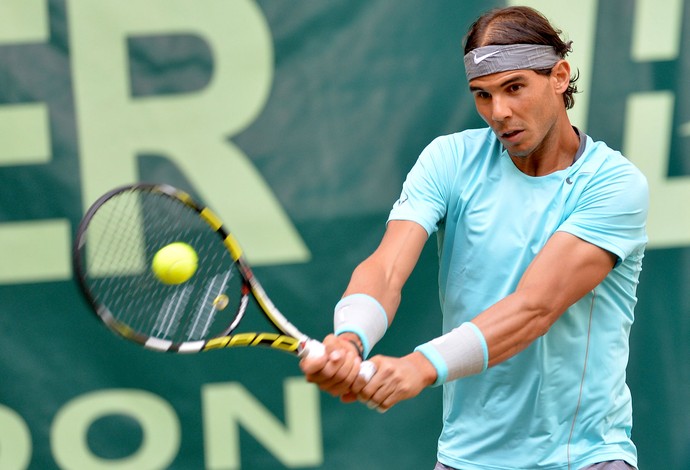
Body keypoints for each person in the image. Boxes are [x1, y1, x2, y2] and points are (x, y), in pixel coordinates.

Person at [300, 6, 648, 470]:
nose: (499, 112)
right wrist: (350, 338)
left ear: (560, 76)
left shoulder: (613, 185)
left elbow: (534, 308)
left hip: (584, 458)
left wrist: (420, 367)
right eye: (482, 95)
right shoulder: (449, 160)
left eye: (514, 87)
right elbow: (386, 268)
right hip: (467, 459)